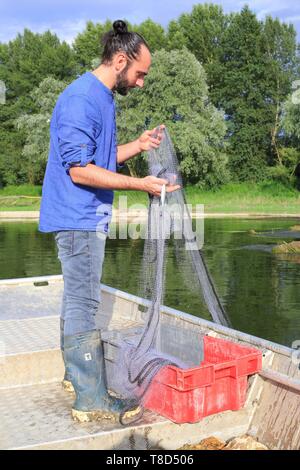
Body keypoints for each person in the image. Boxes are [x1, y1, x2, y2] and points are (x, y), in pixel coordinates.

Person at [39, 19, 179, 423]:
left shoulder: (102, 98)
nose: (140, 83)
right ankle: (91, 399)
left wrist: (138, 145)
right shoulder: (81, 98)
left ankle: (74, 377)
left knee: (76, 299)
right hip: (78, 218)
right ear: (120, 60)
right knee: (84, 302)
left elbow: (98, 159)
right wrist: (142, 185)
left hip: (89, 217)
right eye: (139, 74)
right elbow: (80, 171)